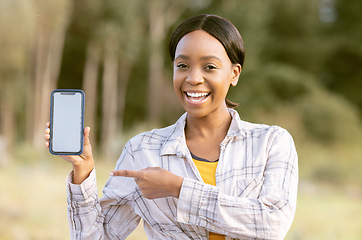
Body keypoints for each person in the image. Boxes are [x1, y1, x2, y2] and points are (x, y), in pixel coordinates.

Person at [45, 14, 298, 240]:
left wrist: (178, 189)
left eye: (209, 67)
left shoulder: (271, 142)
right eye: (182, 65)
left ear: (234, 74)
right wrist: (83, 173)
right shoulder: (142, 151)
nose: (193, 78)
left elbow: (272, 224)